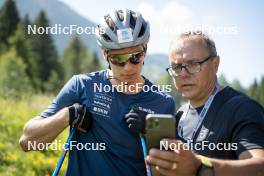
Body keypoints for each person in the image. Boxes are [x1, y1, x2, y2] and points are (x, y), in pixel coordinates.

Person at [19, 9, 175, 176]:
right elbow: (27, 142)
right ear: (105, 55)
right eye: (119, 59)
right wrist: (67, 116)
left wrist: (154, 130)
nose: (128, 66)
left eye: (135, 56)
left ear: (145, 49)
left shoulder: (163, 102)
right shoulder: (82, 85)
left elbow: (171, 170)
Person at [146, 31, 264, 176]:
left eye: (193, 64)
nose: (183, 74)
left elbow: (259, 168)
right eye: (176, 67)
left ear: (215, 64)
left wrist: (200, 168)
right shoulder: (179, 115)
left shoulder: (242, 108)